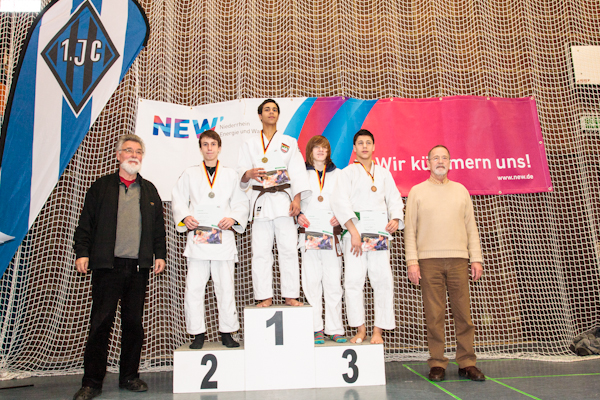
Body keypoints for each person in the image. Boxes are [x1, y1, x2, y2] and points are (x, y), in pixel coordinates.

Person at [72, 134, 166, 400]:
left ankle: (129, 376)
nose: (134, 155)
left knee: (133, 324)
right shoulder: (100, 187)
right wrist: (82, 252)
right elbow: (85, 223)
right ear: (118, 155)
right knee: (100, 324)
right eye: (128, 150)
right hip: (107, 266)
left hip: (138, 269)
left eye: (138, 151)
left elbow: (158, 228)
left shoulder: (149, 190)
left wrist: (160, 254)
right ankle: (91, 382)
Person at [404, 145, 485, 382]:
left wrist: (476, 258)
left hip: (459, 260)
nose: (440, 161)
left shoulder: (461, 191)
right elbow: (410, 231)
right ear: (427, 163)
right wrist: (412, 261)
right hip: (428, 262)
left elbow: (471, 227)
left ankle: (467, 362)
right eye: (435, 158)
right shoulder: (417, 192)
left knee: (464, 315)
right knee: (434, 315)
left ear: (450, 162)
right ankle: (437, 362)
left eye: (444, 158)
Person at [171, 130, 249, 350]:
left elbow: (241, 202)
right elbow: (178, 199)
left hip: (222, 239)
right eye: (205, 144)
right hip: (199, 238)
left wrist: (233, 218)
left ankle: (227, 332)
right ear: (200, 148)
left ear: (219, 147)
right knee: (194, 288)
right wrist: (185, 217)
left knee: (225, 287)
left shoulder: (231, 175)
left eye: (213, 144)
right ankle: (197, 333)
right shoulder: (189, 173)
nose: (209, 148)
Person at [330, 129, 404, 344]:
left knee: (383, 280)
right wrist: (353, 232)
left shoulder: (384, 173)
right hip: (355, 235)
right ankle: (360, 329)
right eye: (360, 143)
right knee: (353, 281)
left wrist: (395, 218)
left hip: (379, 233)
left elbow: (394, 199)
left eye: (368, 143)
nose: (364, 146)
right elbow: (339, 202)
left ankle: (378, 331)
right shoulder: (346, 173)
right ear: (354, 148)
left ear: (374, 147)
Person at [238, 99, 311, 307]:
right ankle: (264, 296)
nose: (271, 112)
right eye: (267, 110)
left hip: (283, 202)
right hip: (260, 202)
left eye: (274, 110)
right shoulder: (249, 144)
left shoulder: (289, 142)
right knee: (261, 252)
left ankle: (291, 295)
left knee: (288, 250)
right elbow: (241, 175)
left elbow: (298, 172)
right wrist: (248, 174)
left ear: (278, 115)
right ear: (259, 116)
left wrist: (297, 198)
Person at [298, 135, 346, 344]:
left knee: (333, 282)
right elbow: (293, 201)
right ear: (310, 151)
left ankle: (334, 328)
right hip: (309, 234)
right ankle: (315, 328)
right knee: (311, 282)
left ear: (328, 152)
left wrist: (341, 217)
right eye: (316, 147)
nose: (320, 151)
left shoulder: (340, 175)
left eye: (324, 148)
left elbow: (347, 201)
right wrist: (298, 215)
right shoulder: (300, 174)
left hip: (331, 234)